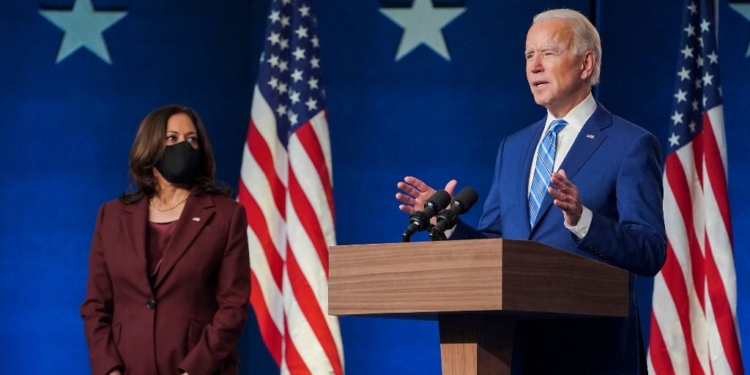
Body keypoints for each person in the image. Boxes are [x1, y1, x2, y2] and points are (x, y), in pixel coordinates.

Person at [396, 8, 666, 375]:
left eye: (548, 53)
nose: (534, 66)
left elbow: (650, 250)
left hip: (591, 353)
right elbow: (495, 243)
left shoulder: (630, 144)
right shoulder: (515, 146)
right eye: (528, 55)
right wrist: (446, 225)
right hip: (510, 350)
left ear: (586, 64)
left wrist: (582, 219)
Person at [80, 105, 251, 375]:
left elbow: (233, 307)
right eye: (171, 138)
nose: (183, 146)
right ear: (149, 147)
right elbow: (96, 306)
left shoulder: (226, 215)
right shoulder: (111, 216)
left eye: (191, 140)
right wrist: (109, 369)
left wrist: (191, 371)